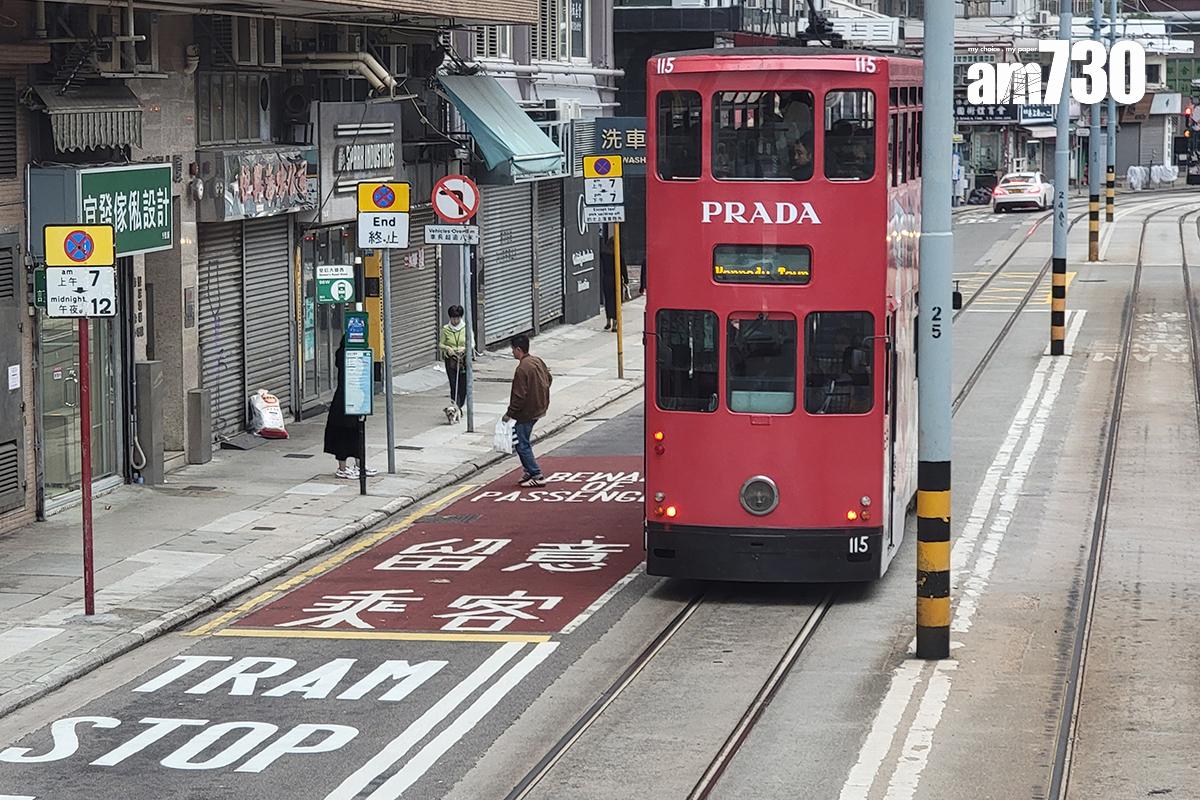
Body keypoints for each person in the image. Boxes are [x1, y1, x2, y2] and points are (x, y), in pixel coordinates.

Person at [503, 334, 552, 487]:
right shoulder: (537, 361)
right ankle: (529, 471)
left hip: (527, 412)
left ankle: (536, 474)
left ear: (518, 349)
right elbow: (549, 378)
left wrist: (509, 414)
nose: (512, 353)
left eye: (512, 350)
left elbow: (519, 396)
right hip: (539, 407)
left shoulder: (521, 369)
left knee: (522, 443)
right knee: (522, 440)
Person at [324, 335, 376, 479]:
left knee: (357, 433)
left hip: (356, 398)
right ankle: (342, 468)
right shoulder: (344, 356)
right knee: (344, 435)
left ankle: (360, 465)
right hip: (344, 402)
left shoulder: (350, 356)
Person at [439, 305, 468, 423]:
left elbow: (472, 344)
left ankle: (460, 405)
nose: (455, 321)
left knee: (463, 385)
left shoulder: (465, 328)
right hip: (451, 360)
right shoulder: (445, 329)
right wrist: (447, 348)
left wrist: (464, 348)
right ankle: (456, 408)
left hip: (463, 360)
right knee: (453, 384)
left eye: (457, 318)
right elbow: (440, 344)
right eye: (452, 318)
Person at [599, 225, 628, 331]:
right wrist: (626, 281)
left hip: (606, 279)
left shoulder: (604, 254)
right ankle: (615, 324)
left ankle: (608, 322)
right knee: (616, 302)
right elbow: (623, 269)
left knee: (608, 301)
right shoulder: (618, 255)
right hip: (616, 280)